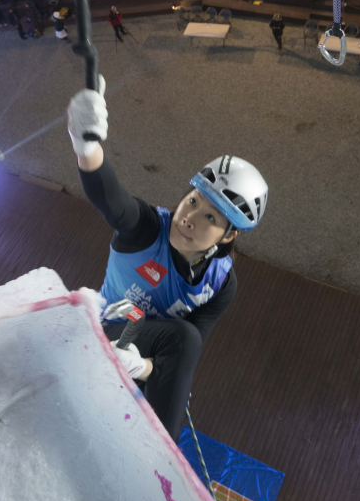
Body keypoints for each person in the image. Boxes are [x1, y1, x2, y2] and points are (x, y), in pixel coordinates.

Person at [67, 85, 268, 441]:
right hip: (107, 330)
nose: (189, 218)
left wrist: (142, 368)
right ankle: (163, 460)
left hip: (143, 356)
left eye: (210, 217)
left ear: (229, 236)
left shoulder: (221, 283)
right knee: (183, 338)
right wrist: (86, 146)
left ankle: (157, 460)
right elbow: (111, 199)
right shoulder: (147, 229)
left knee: (185, 341)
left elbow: (187, 349)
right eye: (193, 201)